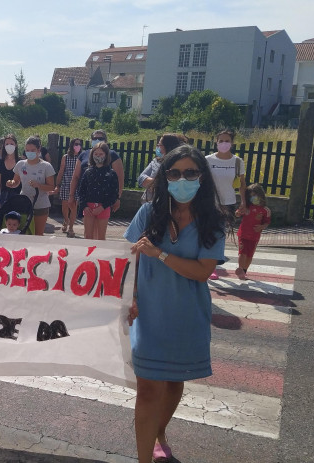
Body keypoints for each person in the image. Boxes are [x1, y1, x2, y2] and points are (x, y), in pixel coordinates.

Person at [124, 145, 228, 463]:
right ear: (165, 177)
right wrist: (130, 297)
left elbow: (202, 272)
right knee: (148, 390)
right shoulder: (148, 214)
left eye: (190, 172)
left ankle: (160, 431)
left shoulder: (212, 221)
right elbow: (130, 260)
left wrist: (162, 254)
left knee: (172, 383)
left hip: (187, 317)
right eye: (174, 173)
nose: (182, 179)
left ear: (202, 177)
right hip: (149, 318)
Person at [206, 129, 246, 279]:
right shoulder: (208, 160)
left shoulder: (237, 161)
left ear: (232, 143)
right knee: (208, 232)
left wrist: (243, 202)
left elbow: (242, 184)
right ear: (216, 143)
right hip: (210, 202)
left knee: (220, 234)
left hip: (228, 203)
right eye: (221, 140)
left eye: (227, 141)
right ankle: (207, 262)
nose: (224, 143)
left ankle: (213, 265)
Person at [6, 136, 56, 236]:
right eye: (27, 150)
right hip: (23, 204)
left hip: (40, 205)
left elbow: (51, 187)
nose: (30, 152)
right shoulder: (20, 164)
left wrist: (39, 185)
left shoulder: (46, 166)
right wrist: (11, 183)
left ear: (39, 150)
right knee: (23, 233)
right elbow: (16, 182)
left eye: (32, 150)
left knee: (38, 234)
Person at [70, 129, 125, 215]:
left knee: (100, 227)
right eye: (95, 138)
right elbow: (76, 176)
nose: (97, 140)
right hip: (86, 198)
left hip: (104, 201)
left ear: (105, 140)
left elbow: (119, 179)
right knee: (87, 226)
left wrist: (117, 198)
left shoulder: (113, 155)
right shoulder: (83, 155)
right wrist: (71, 196)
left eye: (100, 138)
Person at [77, 142, 120, 240]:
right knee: (88, 236)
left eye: (101, 154)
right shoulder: (88, 172)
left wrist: (103, 207)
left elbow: (114, 194)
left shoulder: (111, 173)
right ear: (92, 155)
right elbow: (81, 191)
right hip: (89, 208)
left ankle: (100, 255)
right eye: (96, 154)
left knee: (101, 237)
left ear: (106, 155)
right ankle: (88, 254)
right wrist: (85, 206)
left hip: (103, 208)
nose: (98, 156)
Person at [138, 134, 187, 204]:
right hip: (149, 202)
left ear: (167, 146)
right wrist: (154, 182)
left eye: (160, 145)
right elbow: (141, 179)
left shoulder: (179, 164)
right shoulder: (156, 161)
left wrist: (156, 184)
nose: (157, 147)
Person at [235, 183, 270, 280]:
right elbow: (237, 213)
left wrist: (261, 226)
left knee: (250, 255)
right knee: (242, 253)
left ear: (260, 195)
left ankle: (245, 270)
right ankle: (240, 269)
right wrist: (238, 213)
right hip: (243, 234)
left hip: (254, 236)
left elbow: (267, 222)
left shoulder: (265, 210)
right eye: (250, 196)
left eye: (254, 195)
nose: (252, 198)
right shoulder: (246, 207)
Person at [54, 138, 82, 237]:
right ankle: (66, 220)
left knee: (73, 207)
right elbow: (61, 171)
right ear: (71, 145)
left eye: (79, 144)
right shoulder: (65, 157)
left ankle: (71, 227)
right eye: (76, 144)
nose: (77, 146)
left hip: (77, 185)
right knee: (65, 205)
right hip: (66, 184)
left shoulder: (81, 157)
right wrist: (57, 184)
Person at [0, 134, 21, 209]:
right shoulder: (1, 162)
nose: (9, 146)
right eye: (7, 144)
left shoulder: (21, 162)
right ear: (4, 146)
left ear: (16, 145)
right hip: (4, 196)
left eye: (11, 144)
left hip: (18, 196)